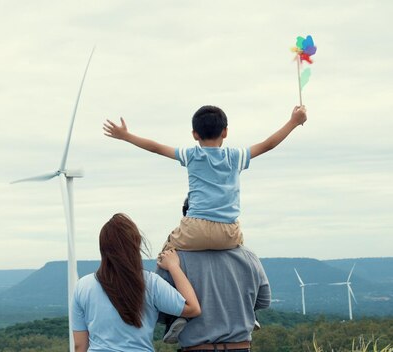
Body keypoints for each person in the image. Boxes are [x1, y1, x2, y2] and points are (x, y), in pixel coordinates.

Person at [103, 105, 308, 252]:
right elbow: (268, 144)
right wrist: (293, 122)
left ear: (194, 134)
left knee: (167, 254)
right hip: (229, 232)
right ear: (225, 132)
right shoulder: (235, 157)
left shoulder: (191, 155)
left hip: (195, 228)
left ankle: (169, 304)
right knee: (243, 258)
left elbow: (156, 148)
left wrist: (126, 136)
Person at [71, 213, 201, 352]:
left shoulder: (83, 286)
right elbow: (193, 308)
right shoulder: (150, 283)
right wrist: (173, 266)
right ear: (135, 245)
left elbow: (80, 345)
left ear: (103, 248)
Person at [157, 246, 271, 351]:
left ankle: (180, 320)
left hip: (197, 347)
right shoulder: (249, 256)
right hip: (240, 346)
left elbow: (161, 309)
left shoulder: (173, 258)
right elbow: (264, 301)